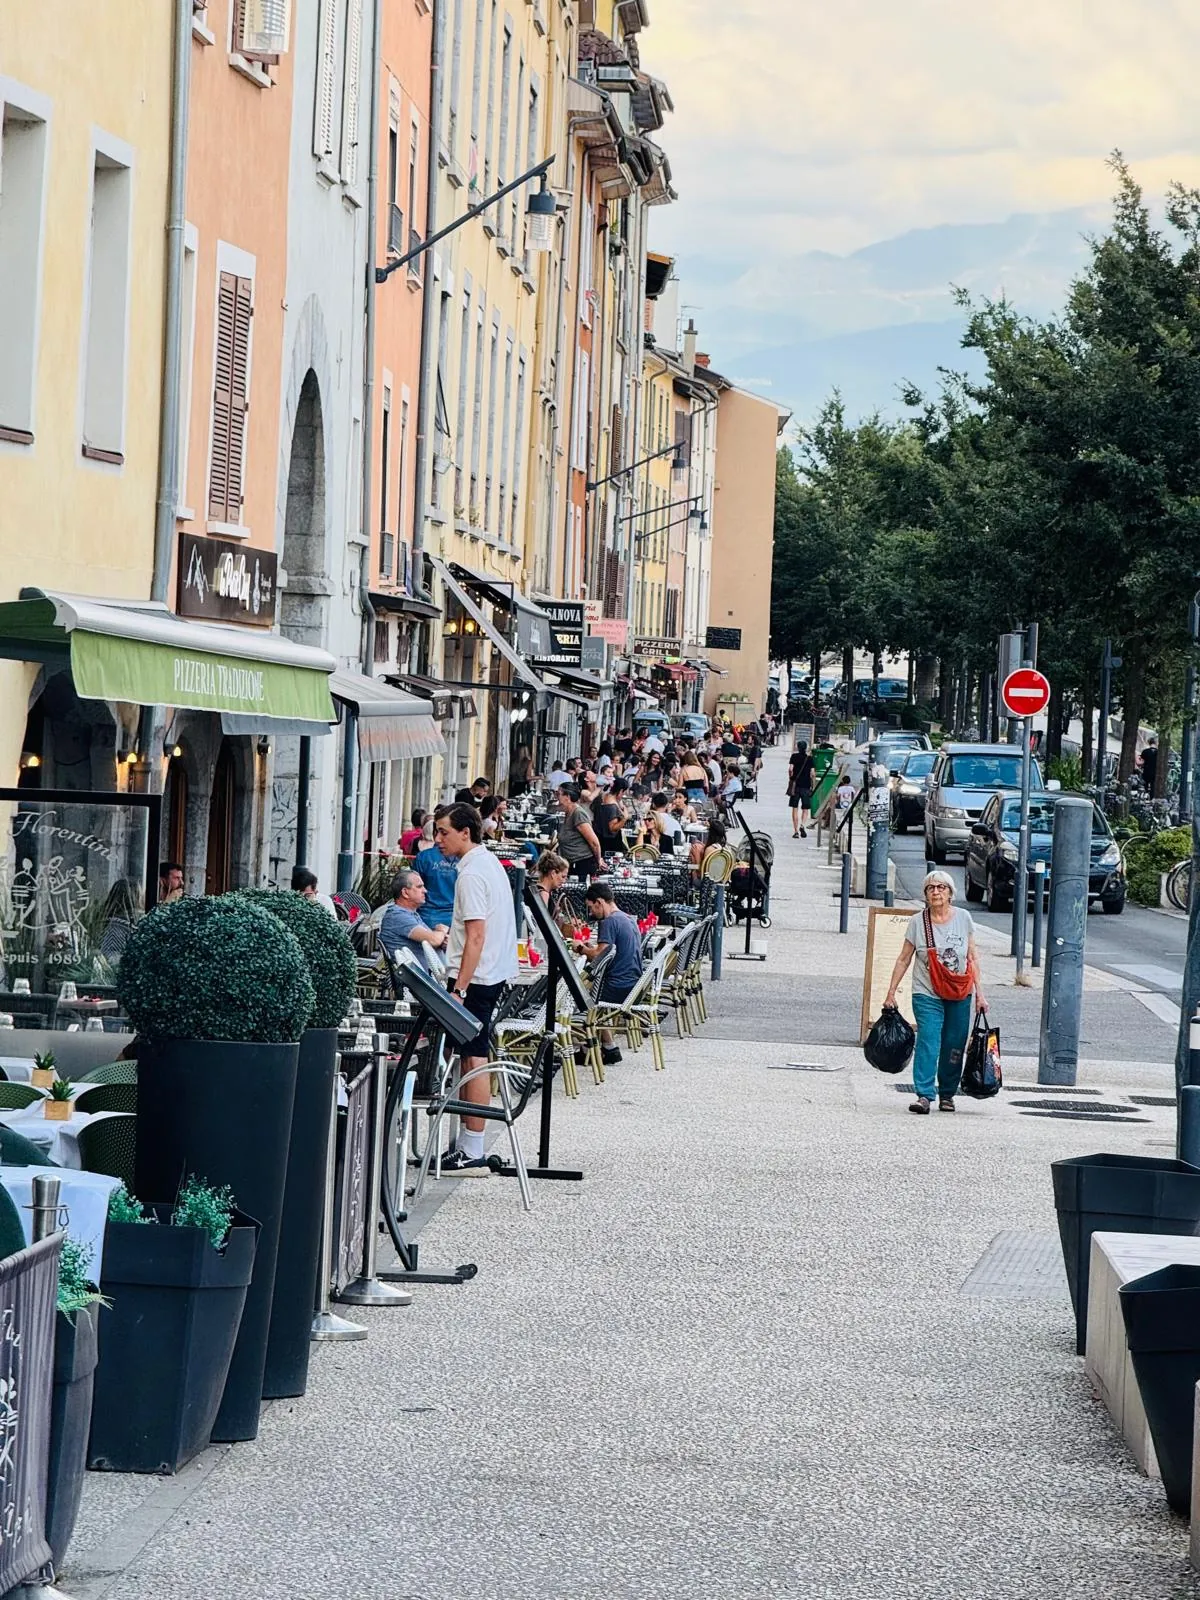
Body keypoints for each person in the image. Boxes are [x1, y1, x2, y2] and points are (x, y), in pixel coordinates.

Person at [434, 804, 519, 1174]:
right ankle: (469, 1144)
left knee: (474, 1058)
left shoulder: (470, 875)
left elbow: (476, 934)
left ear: (465, 832)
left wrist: (459, 989)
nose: (438, 839)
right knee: (473, 1055)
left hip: (476, 977)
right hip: (492, 972)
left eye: (444, 832)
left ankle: (472, 1148)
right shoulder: (489, 864)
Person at [883, 870, 988, 1116]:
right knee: (929, 1040)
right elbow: (904, 958)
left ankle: (948, 1093)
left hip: (960, 991)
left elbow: (972, 957)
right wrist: (891, 992)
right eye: (931, 888)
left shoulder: (964, 918)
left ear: (951, 893)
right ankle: (924, 1095)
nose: (936, 892)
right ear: (926, 895)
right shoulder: (918, 922)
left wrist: (980, 994)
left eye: (941, 887)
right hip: (926, 992)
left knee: (954, 1044)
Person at [577, 881, 644, 1065]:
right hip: (633, 985)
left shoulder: (609, 921)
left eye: (591, 907)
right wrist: (591, 950)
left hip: (616, 987)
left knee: (577, 996)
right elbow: (606, 953)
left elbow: (598, 956)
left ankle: (586, 1046)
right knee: (591, 995)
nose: (591, 913)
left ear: (599, 902)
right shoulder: (628, 919)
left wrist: (581, 949)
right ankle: (608, 1046)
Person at [379, 870, 447, 973]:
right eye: (419, 887)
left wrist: (443, 940)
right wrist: (442, 930)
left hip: (432, 980)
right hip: (421, 985)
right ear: (405, 892)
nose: (425, 890)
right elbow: (434, 940)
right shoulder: (397, 916)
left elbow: (434, 940)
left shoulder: (410, 914)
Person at [412, 804, 459, 929]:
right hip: (455, 918)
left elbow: (413, 888)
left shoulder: (424, 857)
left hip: (427, 917)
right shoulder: (463, 858)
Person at [554, 783, 604, 879]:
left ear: (567, 797)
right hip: (571, 864)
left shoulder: (578, 814)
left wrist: (598, 860)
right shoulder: (568, 813)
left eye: (558, 794)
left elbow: (594, 842)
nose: (556, 797)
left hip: (582, 865)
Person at [592, 777, 632, 856]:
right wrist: (624, 819)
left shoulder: (602, 797)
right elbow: (612, 828)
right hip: (610, 841)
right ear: (620, 791)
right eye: (623, 792)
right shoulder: (612, 806)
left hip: (599, 835)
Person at [787, 743, 816, 840]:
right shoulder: (809, 759)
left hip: (796, 786)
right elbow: (812, 774)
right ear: (806, 748)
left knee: (795, 808)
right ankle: (802, 825)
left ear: (798, 747)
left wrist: (791, 777)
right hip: (806, 786)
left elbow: (791, 769)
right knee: (805, 809)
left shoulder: (794, 756)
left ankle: (795, 831)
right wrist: (812, 783)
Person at [649, 790, 683, 855]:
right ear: (667, 805)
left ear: (653, 804)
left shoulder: (648, 821)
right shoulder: (674, 822)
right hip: (669, 854)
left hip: (650, 853)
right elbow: (682, 839)